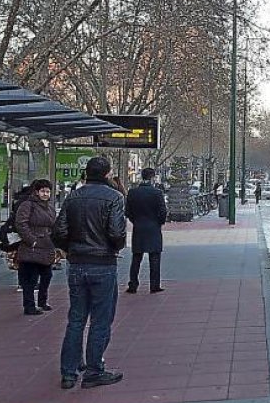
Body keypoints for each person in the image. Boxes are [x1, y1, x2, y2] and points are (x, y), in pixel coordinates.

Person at [50, 156, 126, 390]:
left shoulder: (73, 196)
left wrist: (70, 247)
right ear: (107, 174)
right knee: (101, 320)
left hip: (77, 262)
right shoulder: (114, 197)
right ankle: (94, 369)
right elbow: (116, 232)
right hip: (102, 263)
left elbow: (59, 230)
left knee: (76, 319)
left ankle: (69, 372)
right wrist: (115, 246)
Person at [15, 179, 57, 315]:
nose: (45, 194)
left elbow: (53, 224)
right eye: (43, 191)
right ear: (36, 192)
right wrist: (31, 240)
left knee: (47, 275)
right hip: (31, 248)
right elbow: (21, 223)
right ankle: (29, 305)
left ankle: (42, 301)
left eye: (48, 191)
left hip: (46, 246)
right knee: (30, 279)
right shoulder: (28, 205)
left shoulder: (49, 207)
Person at [125, 167, 168, 294]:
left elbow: (128, 212)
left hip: (138, 227)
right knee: (154, 257)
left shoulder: (133, 192)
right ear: (153, 177)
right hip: (154, 227)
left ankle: (133, 285)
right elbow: (163, 211)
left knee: (136, 258)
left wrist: (136, 221)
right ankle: (154, 285)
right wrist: (159, 222)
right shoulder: (157, 193)